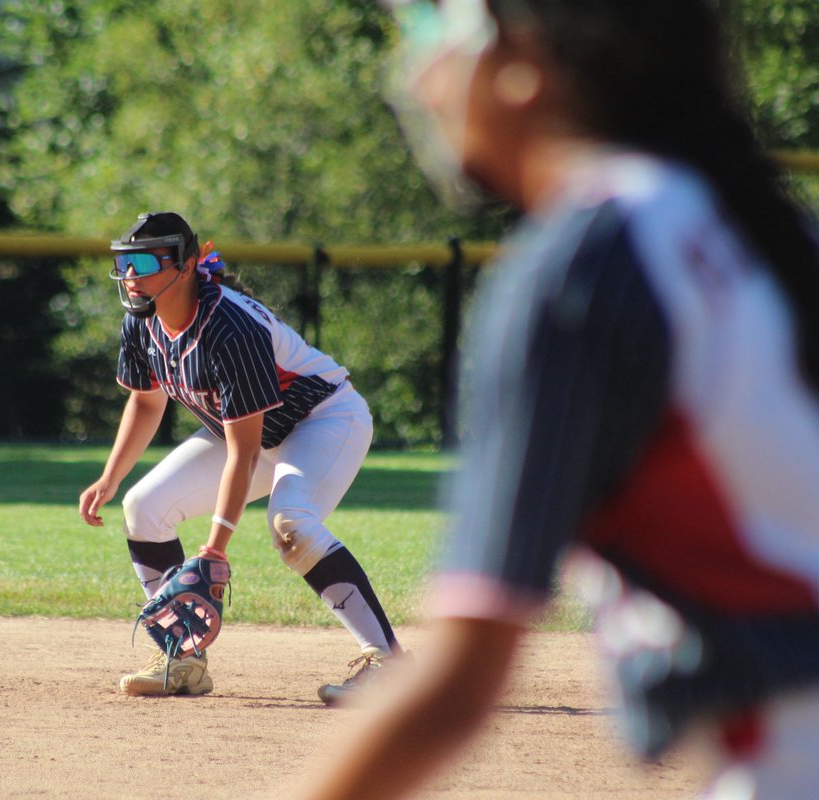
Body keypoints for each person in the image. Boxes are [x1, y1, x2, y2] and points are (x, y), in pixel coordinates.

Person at [294, 0, 819, 798]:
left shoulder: (588, 264)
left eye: (436, 25)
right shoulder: (764, 233)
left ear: (524, 59)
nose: (415, 66)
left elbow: (456, 688)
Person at [78, 211, 403, 701]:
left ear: (185, 266)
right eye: (125, 263)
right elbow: (146, 402)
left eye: (143, 262)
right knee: (142, 507)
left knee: (290, 521)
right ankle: (182, 658)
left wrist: (215, 547)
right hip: (249, 435)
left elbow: (246, 451)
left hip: (324, 420)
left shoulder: (230, 326)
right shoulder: (141, 321)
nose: (130, 276)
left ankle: (388, 662)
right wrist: (110, 477)